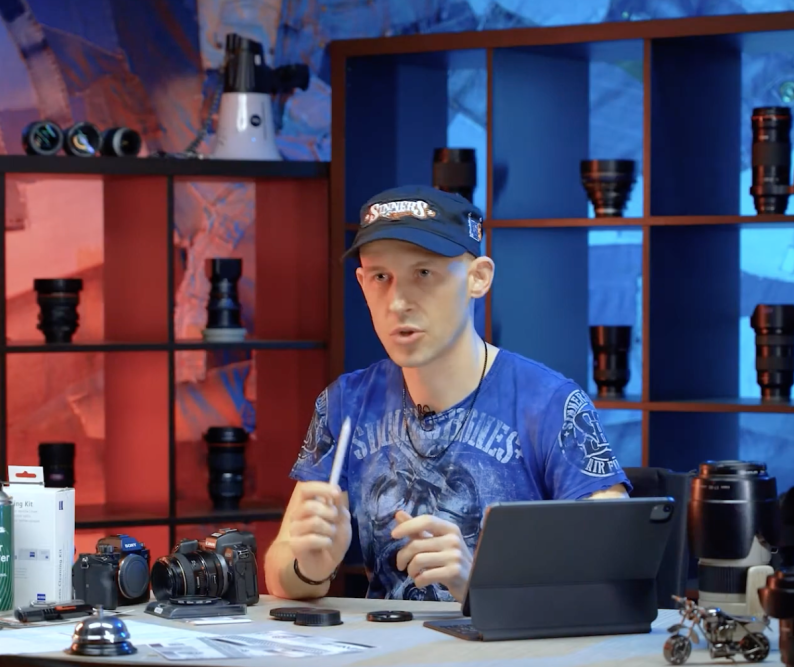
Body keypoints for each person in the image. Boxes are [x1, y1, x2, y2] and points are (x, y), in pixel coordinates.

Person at [264, 185, 632, 603]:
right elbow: (280, 569)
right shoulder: (346, 403)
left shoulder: (550, 404)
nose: (398, 302)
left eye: (423, 273)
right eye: (381, 277)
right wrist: (309, 567)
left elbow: (618, 573)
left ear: (478, 278)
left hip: (508, 641)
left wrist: (477, 585)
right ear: (362, 284)